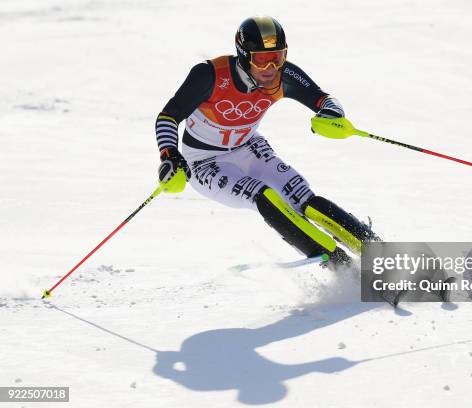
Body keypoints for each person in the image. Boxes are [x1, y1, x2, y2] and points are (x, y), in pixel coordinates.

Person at [155, 16, 404, 305]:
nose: (271, 69)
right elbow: (168, 117)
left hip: (248, 148)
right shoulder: (209, 75)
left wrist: (331, 115)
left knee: (303, 197)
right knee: (264, 196)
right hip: (204, 162)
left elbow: (324, 99)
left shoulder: (283, 76)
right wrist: (169, 155)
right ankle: (344, 269)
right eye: (262, 60)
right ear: (244, 57)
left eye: (278, 57)